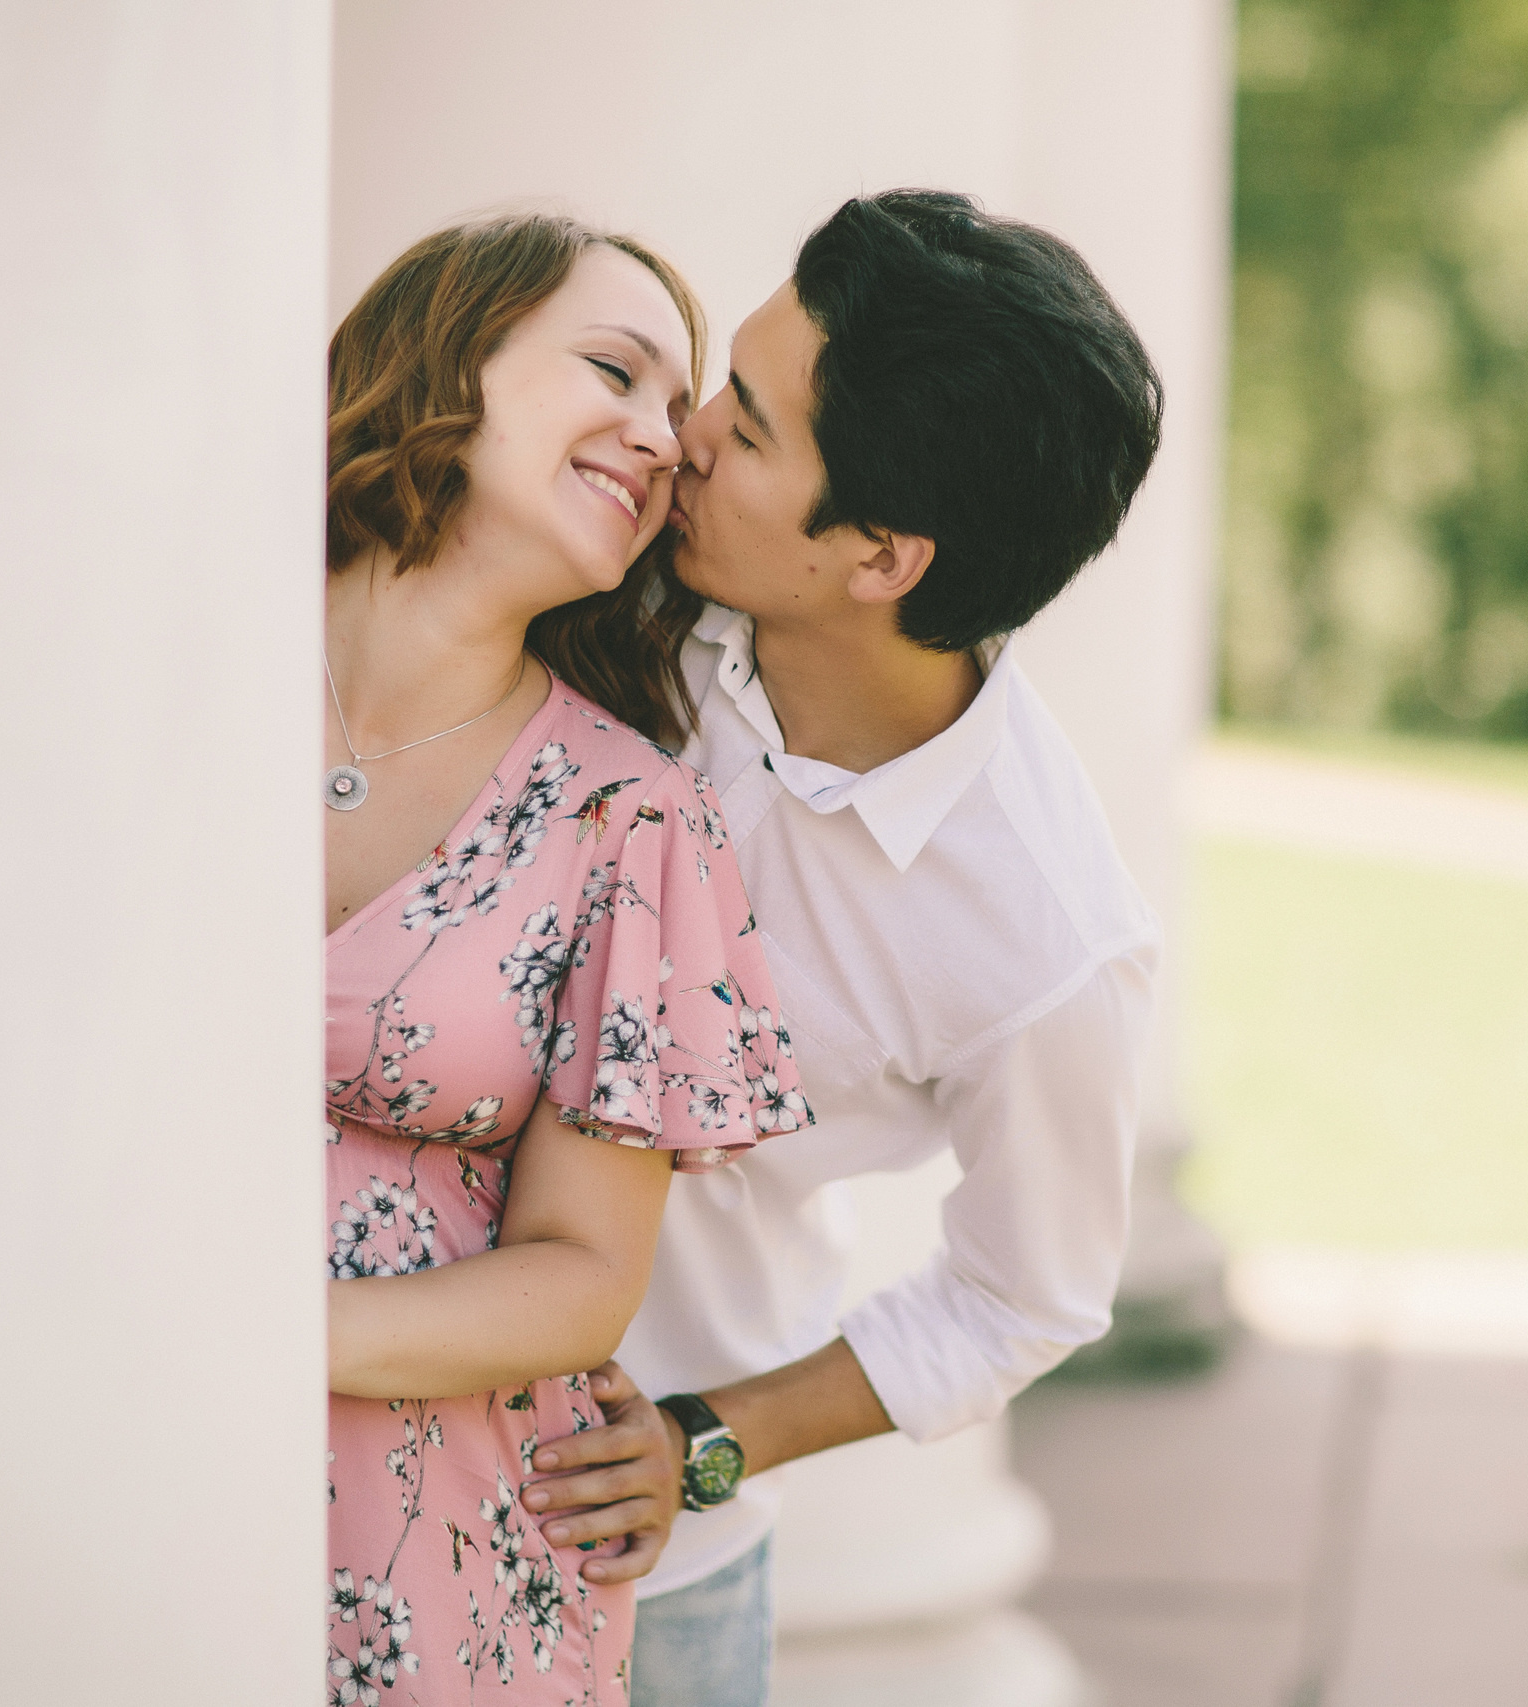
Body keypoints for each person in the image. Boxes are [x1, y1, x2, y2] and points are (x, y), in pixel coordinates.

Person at [515, 189, 1166, 1706]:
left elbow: (1026, 1297)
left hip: (637, 1572)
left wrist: (710, 1440)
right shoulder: (624, 581)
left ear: (883, 555)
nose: (680, 438)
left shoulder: (1046, 940)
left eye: (745, 430)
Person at [320, 213, 810, 1707]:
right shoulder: (155, 677)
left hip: (429, 1566)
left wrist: (233, 1330)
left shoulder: (633, 820)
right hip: (73, 1445)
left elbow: (585, 1279)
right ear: (447, 362)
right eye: (617, 369)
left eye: (682, 410)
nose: (663, 439)